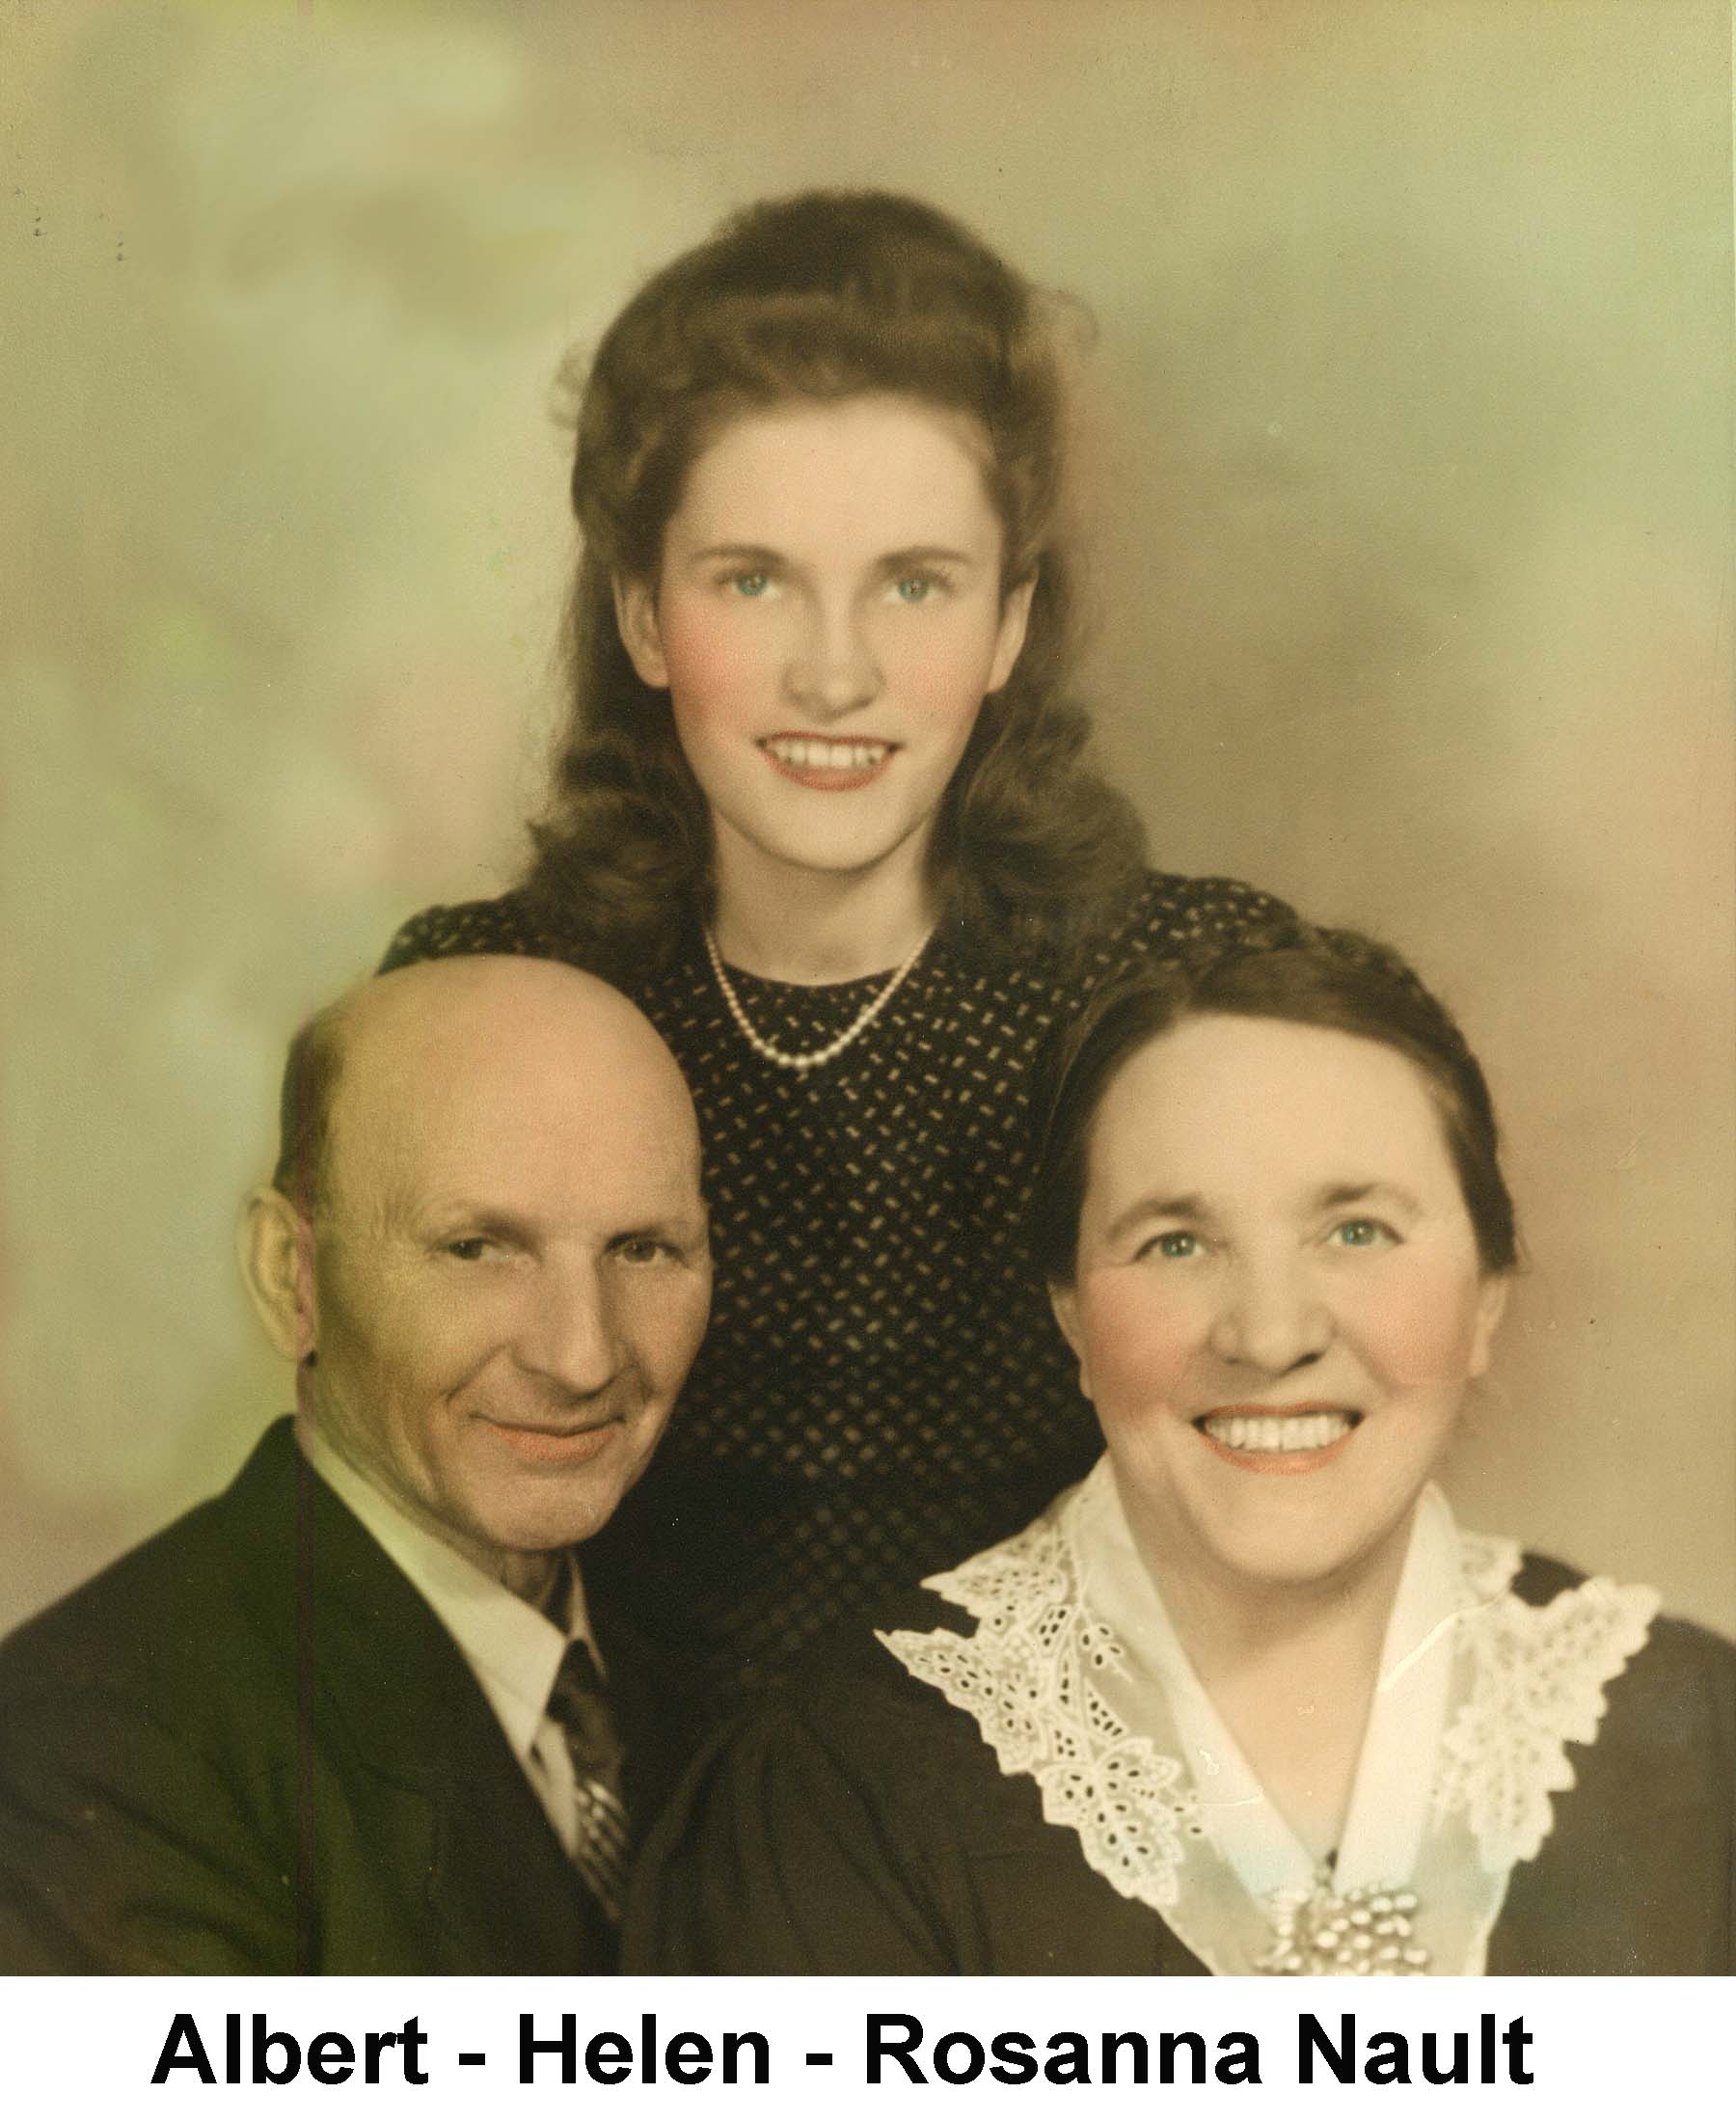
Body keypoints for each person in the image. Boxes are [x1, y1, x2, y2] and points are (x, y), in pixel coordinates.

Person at [382, 188, 1290, 1702]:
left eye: (915, 583)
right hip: (621, 1852)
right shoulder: (493, 999)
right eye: (753, 578)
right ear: (643, 616)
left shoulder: (1187, 993)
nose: (836, 671)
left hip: (1049, 1857)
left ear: (1008, 624)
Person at [627, 924, 1735, 1975]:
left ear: (1487, 1296)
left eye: (1357, 1231)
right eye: (1176, 1242)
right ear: (1071, 1314)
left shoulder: (1691, 1734)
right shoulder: (843, 1783)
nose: (1269, 1335)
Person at [0, 956, 712, 1973]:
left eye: (644, 1249)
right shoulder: (88, 1746)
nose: (583, 1356)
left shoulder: (689, 1676)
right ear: (294, 1276)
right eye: (477, 1248)